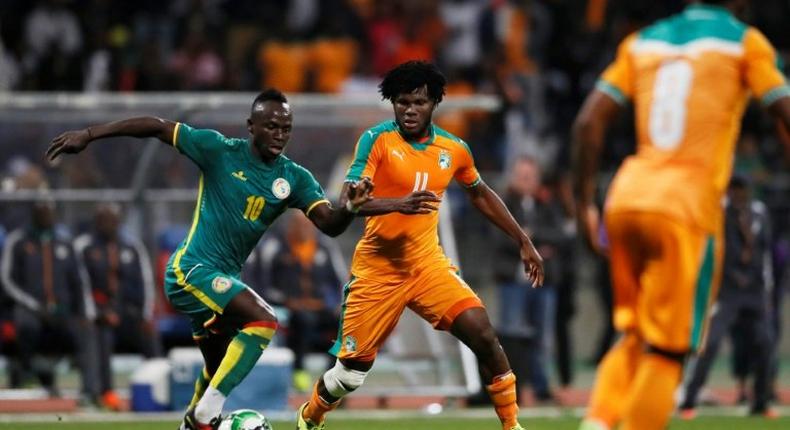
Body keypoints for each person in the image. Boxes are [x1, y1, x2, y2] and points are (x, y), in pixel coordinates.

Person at [46, 89, 382, 430]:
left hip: (218, 286)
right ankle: (207, 414)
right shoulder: (219, 150)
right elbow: (156, 127)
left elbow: (329, 224)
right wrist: (89, 135)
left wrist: (351, 208)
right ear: (251, 126)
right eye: (271, 126)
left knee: (216, 367)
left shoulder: (294, 177)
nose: (279, 134)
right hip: (189, 271)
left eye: (286, 128)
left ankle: (193, 422)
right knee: (263, 320)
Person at [572, 1, 790, 429]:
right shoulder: (744, 42)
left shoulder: (642, 41)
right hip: (685, 207)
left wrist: (583, 203)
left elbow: (586, 124)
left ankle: (597, 422)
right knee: (668, 351)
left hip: (627, 195)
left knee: (635, 336)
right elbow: (782, 110)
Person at [296, 60, 544, 430]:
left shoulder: (453, 148)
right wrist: (396, 202)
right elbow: (348, 198)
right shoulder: (376, 140)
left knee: (483, 332)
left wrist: (523, 239)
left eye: (418, 103)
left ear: (434, 105)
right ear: (392, 103)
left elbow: (480, 193)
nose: (410, 110)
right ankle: (310, 415)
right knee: (351, 375)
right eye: (402, 102)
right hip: (378, 271)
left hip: (427, 267)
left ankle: (512, 425)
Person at [679, 176, 775, 417]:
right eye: (734, 190)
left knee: (765, 343)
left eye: (742, 189)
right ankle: (689, 401)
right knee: (710, 343)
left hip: (754, 291)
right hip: (727, 291)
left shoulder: (759, 215)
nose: (738, 194)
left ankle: (760, 403)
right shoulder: (719, 215)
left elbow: (764, 253)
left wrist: (766, 288)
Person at [0, 200, 95, 399]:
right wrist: (35, 306)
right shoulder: (18, 241)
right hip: (29, 308)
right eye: (42, 212)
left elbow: (79, 282)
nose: (46, 216)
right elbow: (7, 280)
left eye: (50, 212)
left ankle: (90, 390)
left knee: (85, 330)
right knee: (26, 325)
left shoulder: (65, 244)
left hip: (61, 310)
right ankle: (26, 376)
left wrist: (85, 313)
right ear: (33, 215)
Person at [74, 203, 162, 411]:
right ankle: (102, 393)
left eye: (113, 220)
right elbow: (81, 285)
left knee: (150, 335)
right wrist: (96, 313)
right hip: (99, 314)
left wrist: (145, 315)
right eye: (104, 220)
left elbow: (146, 283)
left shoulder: (132, 246)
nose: (109, 225)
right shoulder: (84, 247)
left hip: (128, 312)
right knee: (97, 335)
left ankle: (161, 389)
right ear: (97, 222)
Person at [493, 156, 567, 404]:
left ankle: (541, 388)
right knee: (512, 337)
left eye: (530, 176)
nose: (526, 181)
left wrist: (529, 238)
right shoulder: (503, 203)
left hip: (542, 282)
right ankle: (512, 389)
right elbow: (499, 237)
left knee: (542, 338)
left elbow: (560, 235)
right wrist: (528, 243)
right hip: (512, 281)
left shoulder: (547, 204)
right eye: (522, 176)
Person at [257, 211, 345, 391]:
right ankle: (299, 368)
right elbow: (262, 283)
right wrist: (284, 300)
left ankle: (333, 371)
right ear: (291, 225)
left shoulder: (324, 246)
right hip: (286, 307)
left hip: (318, 305)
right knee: (304, 320)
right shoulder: (275, 246)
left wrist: (338, 304)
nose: (305, 227)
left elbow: (339, 282)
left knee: (344, 325)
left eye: (309, 224)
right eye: (300, 223)